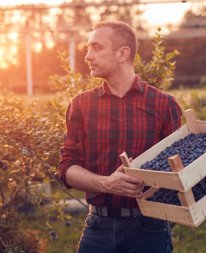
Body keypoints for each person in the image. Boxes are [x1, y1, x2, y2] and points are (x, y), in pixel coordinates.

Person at [58, 21, 182, 253]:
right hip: (98, 229)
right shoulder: (81, 105)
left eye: (96, 47)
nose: (87, 56)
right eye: (88, 48)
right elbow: (66, 168)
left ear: (122, 53)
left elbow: (177, 170)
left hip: (150, 229)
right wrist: (106, 183)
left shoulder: (164, 105)